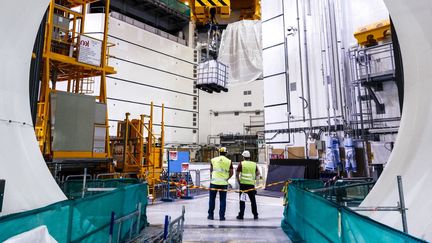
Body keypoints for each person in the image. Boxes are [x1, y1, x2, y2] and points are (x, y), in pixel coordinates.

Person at [208, 147, 233, 221]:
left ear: (219, 152)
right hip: (223, 183)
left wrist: (212, 178)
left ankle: (211, 215)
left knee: (212, 199)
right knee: (223, 200)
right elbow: (231, 172)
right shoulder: (229, 161)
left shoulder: (213, 160)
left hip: (214, 182)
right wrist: (227, 179)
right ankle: (221, 216)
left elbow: (211, 171)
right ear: (226, 153)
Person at [236, 150, 259, 220]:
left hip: (243, 185)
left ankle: (241, 215)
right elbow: (258, 174)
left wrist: (239, 182)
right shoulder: (254, 164)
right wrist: (254, 181)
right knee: (253, 201)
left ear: (243, 157)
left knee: (242, 200)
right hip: (251, 185)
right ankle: (255, 215)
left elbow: (237, 174)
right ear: (249, 157)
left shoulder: (241, 164)